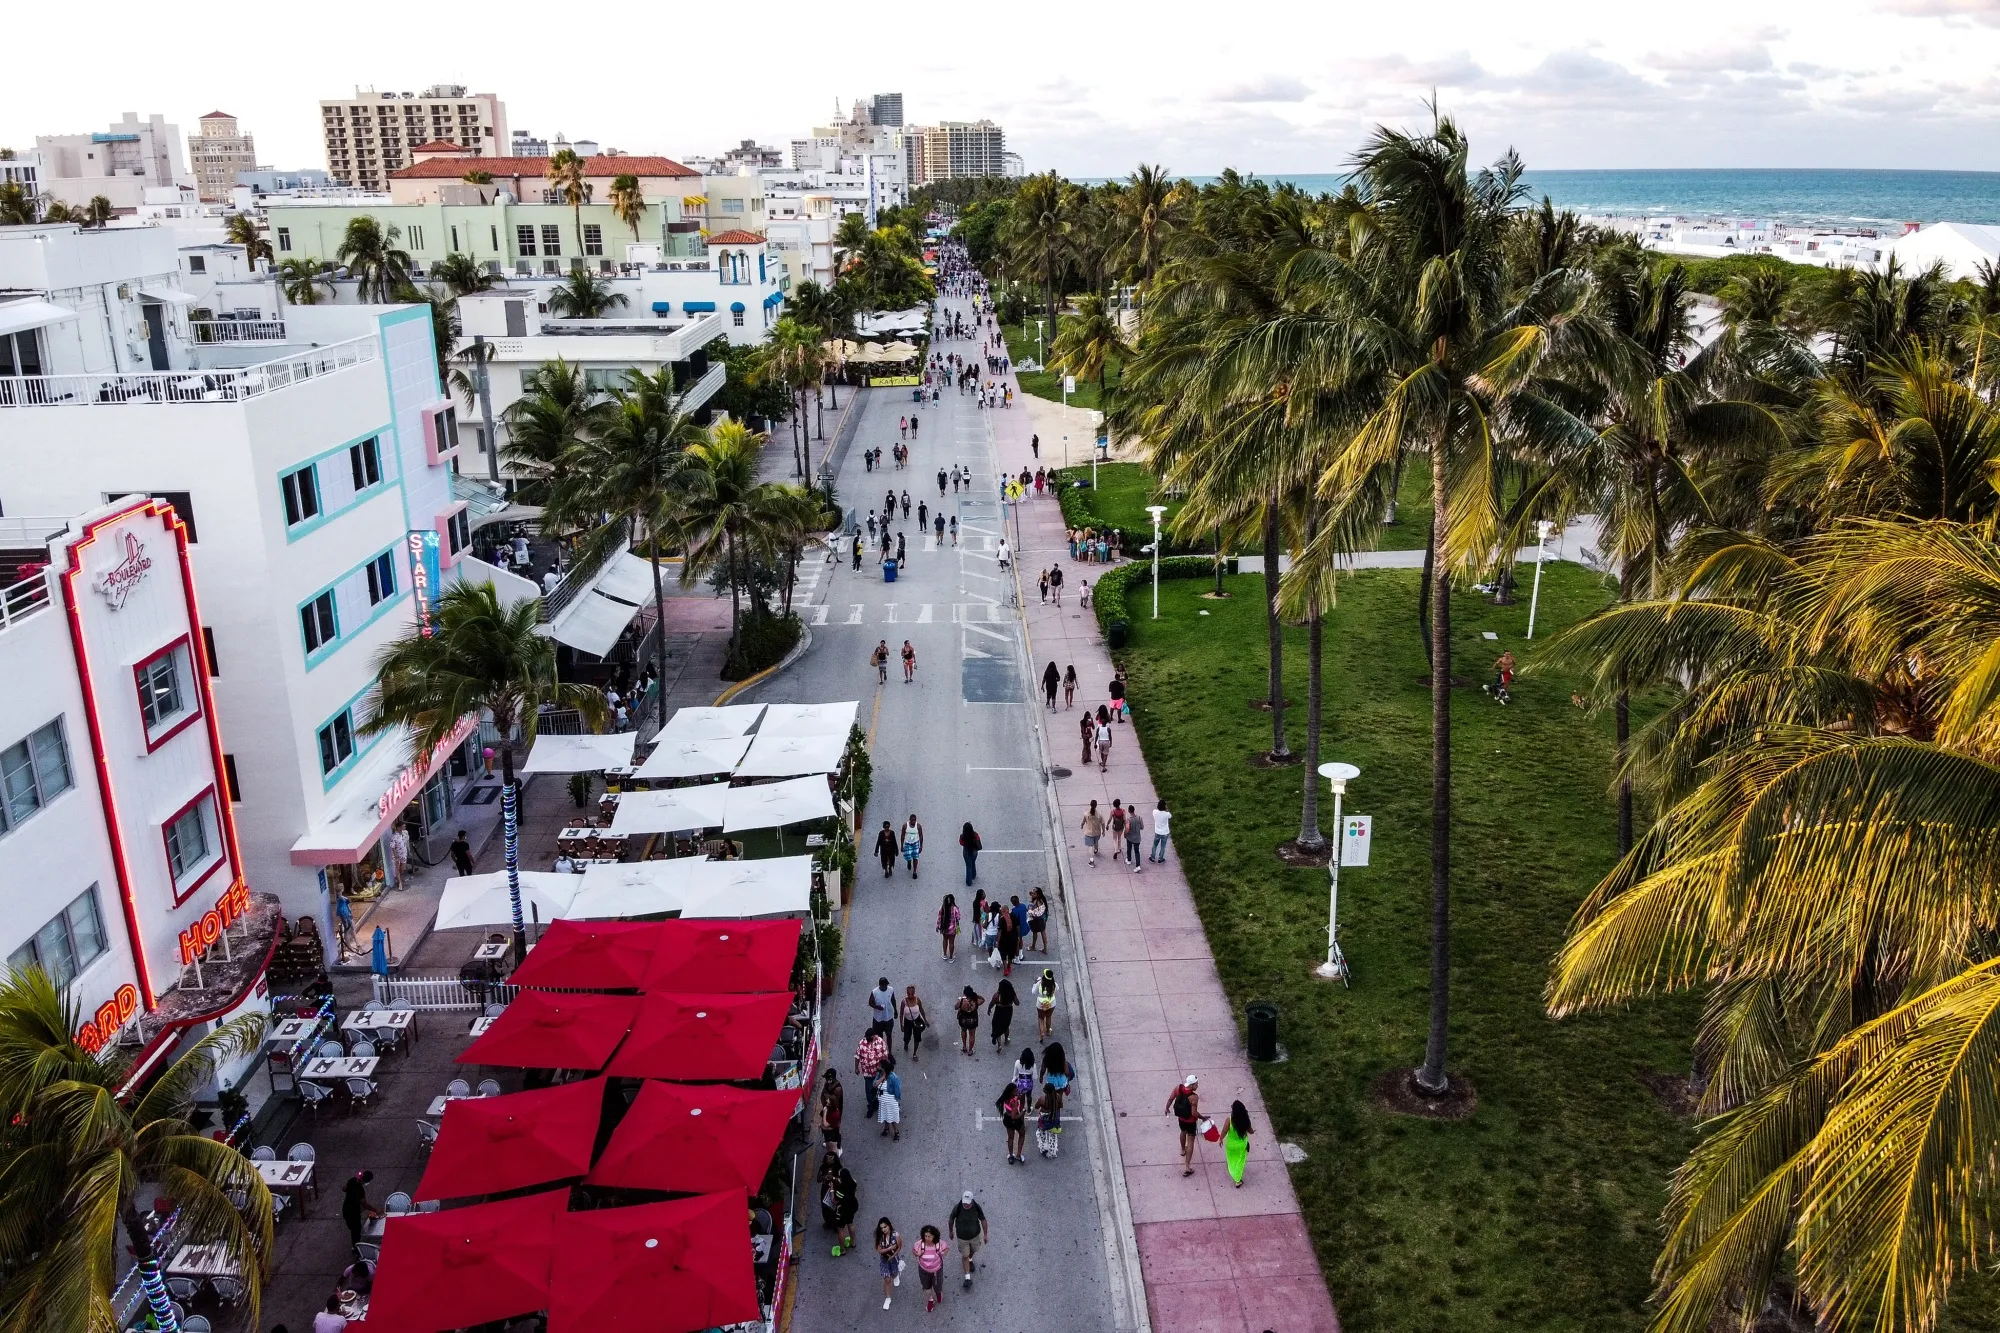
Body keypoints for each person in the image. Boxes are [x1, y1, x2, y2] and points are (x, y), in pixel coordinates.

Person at [947, 1191, 988, 1286]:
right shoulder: (957, 1207)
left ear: (972, 1201)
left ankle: (970, 1259)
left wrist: (985, 1234)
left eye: (968, 1203)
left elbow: (983, 1220)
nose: (965, 1204)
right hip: (962, 1237)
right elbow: (951, 1219)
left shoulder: (976, 1207)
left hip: (975, 1236)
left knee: (974, 1250)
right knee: (965, 1255)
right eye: (964, 1202)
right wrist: (950, 1231)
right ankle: (967, 1277)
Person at [1165, 1075, 1201, 1177]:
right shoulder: (1194, 1097)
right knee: (1190, 1141)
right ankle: (1187, 1166)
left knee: (1182, 1132)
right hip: (1191, 1121)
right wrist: (1203, 1117)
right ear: (1192, 1085)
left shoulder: (1178, 1088)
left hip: (1181, 1119)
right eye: (1196, 1084)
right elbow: (1194, 1113)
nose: (1197, 1086)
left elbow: (1170, 1099)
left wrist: (1167, 1108)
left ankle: (1182, 1150)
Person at [341, 1169, 381, 1250]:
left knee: (352, 1228)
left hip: (346, 1209)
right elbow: (365, 1204)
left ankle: (355, 1245)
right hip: (354, 1212)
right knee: (356, 1230)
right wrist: (376, 1210)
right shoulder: (360, 1190)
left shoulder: (352, 1180)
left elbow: (344, 1189)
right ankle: (356, 1248)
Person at [914, 1223, 949, 1313]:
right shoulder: (920, 1244)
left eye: (929, 1236)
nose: (927, 1238)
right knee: (927, 1288)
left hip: (936, 1271)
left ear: (934, 1236)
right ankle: (930, 1300)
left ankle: (938, 1293)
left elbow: (946, 1248)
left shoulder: (939, 1244)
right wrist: (917, 1254)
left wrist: (943, 1253)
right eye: (925, 1236)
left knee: (937, 1286)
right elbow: (914, 1251)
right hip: (923, 1270)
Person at [995, 1078, 1030, 1164]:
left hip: (1007, 1119)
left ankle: (1011, 1155)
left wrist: (1017, 1097)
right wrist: (1023, 1112)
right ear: (1011, 1093)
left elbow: (1010, 1110)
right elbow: (1015, 1116)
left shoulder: (1006, 1098)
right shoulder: (1014, 1102)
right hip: (1016, 1121)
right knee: (1022, 1134)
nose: (1017, 1092)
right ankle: (1018, 1154)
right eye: (1015, 1091)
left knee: (1010, 1138)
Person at [856, 1026, 888, 1118]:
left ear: (873, 1036)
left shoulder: (880, 1042)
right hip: (867, 1073)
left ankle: (879, 1103)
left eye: (868, 1037)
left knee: (880, 1090)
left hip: (878, 1074)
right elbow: (857, 1056)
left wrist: (885, 1071)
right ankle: (871, 1106)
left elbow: (885, 1056)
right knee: (869, 1091)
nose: (867, 1039)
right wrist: (856, 1068)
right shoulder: (862, 1043)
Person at [1224, 1099, 1254, 1188]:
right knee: (1240, 1161)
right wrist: (1253, 1131)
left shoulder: (1229, 1120)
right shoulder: (1245, 1120)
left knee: (1231, 1158)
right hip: (1241, 1145)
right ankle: (1237, 1180)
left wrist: (1221, 1139)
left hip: (1230, 1144)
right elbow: (1250, 1131)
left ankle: (1231, 1168)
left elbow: (1224, 1131)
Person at [830, 1166, 860, 1256]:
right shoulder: (853, 1183)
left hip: (843, 1209)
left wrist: (831, 1190)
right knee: (850, 1223)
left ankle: (842, 1250)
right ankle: (853, 1243)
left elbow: (834, 1201)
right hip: (852, 1206)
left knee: (841, 1229)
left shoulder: (840, 1190)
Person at [819, 1068, 845, 1156]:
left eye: (828, 1078)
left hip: (834, 1111)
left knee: (836, 1129)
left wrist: (827, 1102)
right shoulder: (827, 1083)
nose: (827, 1080)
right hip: (827, 1109)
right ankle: (828, 1141)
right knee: (825, 1128)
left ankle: (838, 1146)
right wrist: (825, 1104)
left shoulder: (837, 1088)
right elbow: (823, 1094)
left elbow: (834, 1102)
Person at [877, 1056, 903, 1142]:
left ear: (883, 1068)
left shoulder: (893, 1077)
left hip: (891, 1101)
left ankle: (896, 1131)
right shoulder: (879, 1075)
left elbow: (898, 1090)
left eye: (880, 1066)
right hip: (883, 1101)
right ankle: (886, 1129)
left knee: (892, 1118)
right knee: (885, 1115)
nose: (878, 1067)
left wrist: (896, 1099)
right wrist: (882, 1077)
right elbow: (874, 1084)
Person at [899, 986, 928, 1061]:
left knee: (917, 1038)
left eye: (912, 994)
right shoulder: (904, 1002)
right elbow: (901, 1014)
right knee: (907, 1037)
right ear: (907, 993)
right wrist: (901, 1025)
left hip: (917, 1020)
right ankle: (906, 1043)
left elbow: (921, 1010)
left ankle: (914, 1054)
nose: (910, 996)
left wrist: (925, 1020)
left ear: (914, 993)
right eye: (909, 994)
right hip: (907, 1022)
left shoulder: (917, 1000)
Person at [954, 985, 983, 1055]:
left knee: (963, 1031)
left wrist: (960, 999)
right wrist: (975, 995)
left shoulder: (961, 1001)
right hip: (973, 1020)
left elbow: (956, 1007)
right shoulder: (975, 1001)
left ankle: (964, 1046)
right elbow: (983, 999)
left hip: (963, 1019)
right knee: (972, 1034)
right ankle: (970, 1050)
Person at [989, 975, 1017, 1048]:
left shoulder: (997, 995)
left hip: (999, 1012)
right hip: (1008, 1012)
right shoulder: (1012, 995)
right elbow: (1017, 1003)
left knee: (996, 1026)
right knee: (1006, 1026)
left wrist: (989, 1008)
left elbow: (992, 1003)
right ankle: (1006, 1038)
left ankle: (999, 1044)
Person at [1034, 966, 1058, 1039]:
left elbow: (1033, 992)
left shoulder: (1039, 984)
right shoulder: (1054, 984)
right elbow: (1057, 989)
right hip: (1051, 1003)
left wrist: (1035, 983)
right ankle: (1048, 1030)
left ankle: (1041, 1032)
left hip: (1041, 1004)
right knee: (1048, 1017)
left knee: (1041, 1018)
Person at [1080, 799, 1105, 866]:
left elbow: (1083, 822)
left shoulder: (1086, 814)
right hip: (1097, 832)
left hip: (1089, 833)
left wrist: (1082, 826)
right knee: (1096, 841)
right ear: (1096, 805)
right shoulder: (1099, 815)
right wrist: (1103, 831)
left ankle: (1091, 860)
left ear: (1090, 805)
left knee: (1090, 845)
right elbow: (1103, 823)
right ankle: (1096, 849)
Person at [937, 893, 960, 960]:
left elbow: (939, 917)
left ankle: (944, 954)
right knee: (951, 942)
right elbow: (958, 917)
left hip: (944, 928)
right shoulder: (955, 909)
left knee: (944, 940)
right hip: (952, 929)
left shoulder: (942, 908)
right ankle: (951, 957)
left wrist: (938, 925)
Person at [1125, 807, 1145, 871]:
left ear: (1129, 811)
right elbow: (1142, 827)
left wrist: (1125, 834)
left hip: (1130, 837)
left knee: (1129, 848)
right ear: (1134, 810)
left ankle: (1129, 860)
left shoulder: (1128, 819)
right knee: (1137, 851)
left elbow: (1127, 829)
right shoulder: (1139, 818)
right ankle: (1138, 865)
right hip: (1137, 838)